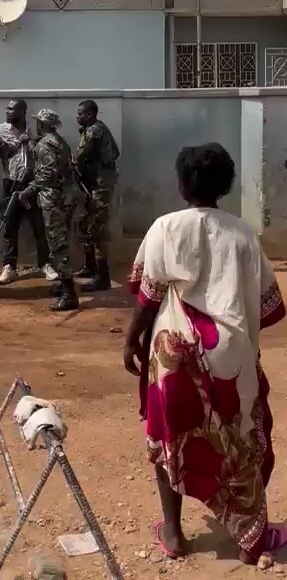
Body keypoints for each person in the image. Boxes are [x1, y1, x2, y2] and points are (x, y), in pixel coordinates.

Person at [123, 142, 287, 566]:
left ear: (182, 185)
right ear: (226, 185)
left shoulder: (165, 227)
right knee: (241, 438)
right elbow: (269, 307)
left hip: (175, 355)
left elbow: (148, 295)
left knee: (169, 438)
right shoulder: (244, 234)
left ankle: (174, 532)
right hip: (232, 356)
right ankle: (249, 534)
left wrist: (131, 340)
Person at [0, 99, 57, 285]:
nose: (7, 112)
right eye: (7, 108)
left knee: (39, 225)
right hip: (11, 183)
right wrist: (14, 145)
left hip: (32, 185)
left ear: (22, 112)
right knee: (10, 226)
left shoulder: (35, 130)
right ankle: (9, 267)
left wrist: (31, 147)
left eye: (12, 109)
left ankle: (45, 264)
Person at [19, 109, 78, 312]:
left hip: (52, 199)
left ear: (42, 124)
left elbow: (46, 175)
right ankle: (63, 285)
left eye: (38, 122)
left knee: (57, 244)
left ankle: (69, 295)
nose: (36, 125)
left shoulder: (45, 144)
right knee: (59, 241)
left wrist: (28, 190)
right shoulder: (60, 141)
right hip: (64, 197)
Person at [74, 100, 120, 293]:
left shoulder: (94, 130)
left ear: (90, 114)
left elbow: (79, 156)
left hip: (101, 185)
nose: (77, 117)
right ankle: (90, 267)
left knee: (96, 228)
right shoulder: (94, 128)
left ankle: (103, 277)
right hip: (95, 183)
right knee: (87, 223)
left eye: (80, 113)